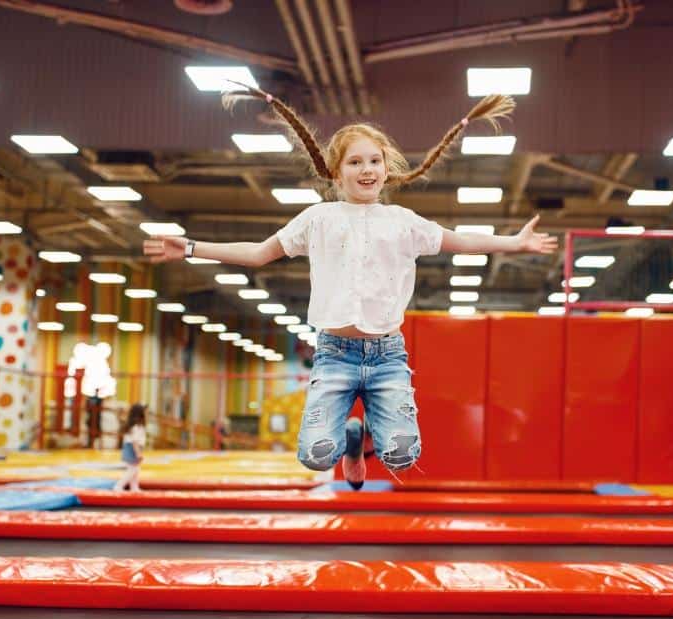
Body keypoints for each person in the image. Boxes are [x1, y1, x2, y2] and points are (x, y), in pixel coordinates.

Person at [144, 87, 557, 489]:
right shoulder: (318, 218)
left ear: (387, 167)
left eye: (375, 160)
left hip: (387, 356)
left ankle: (360, 445)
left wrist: (514, 242)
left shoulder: (403, 221)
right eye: (355, 162)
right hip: (334, 355)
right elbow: (258, 253)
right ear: (336, 171)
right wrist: (192, 248)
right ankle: (348, 450)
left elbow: (462, 239)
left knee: (402, 455)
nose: (367, 170)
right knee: (315, 456)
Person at [114, 403, 147, 491]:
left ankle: (134, 487)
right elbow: (134, 442)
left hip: (132, 448)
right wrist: (138, 453)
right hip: (132, 449)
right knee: (133, 469)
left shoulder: (134, 426)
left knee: (135, 469)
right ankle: (119, 485)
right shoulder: (136, 427)